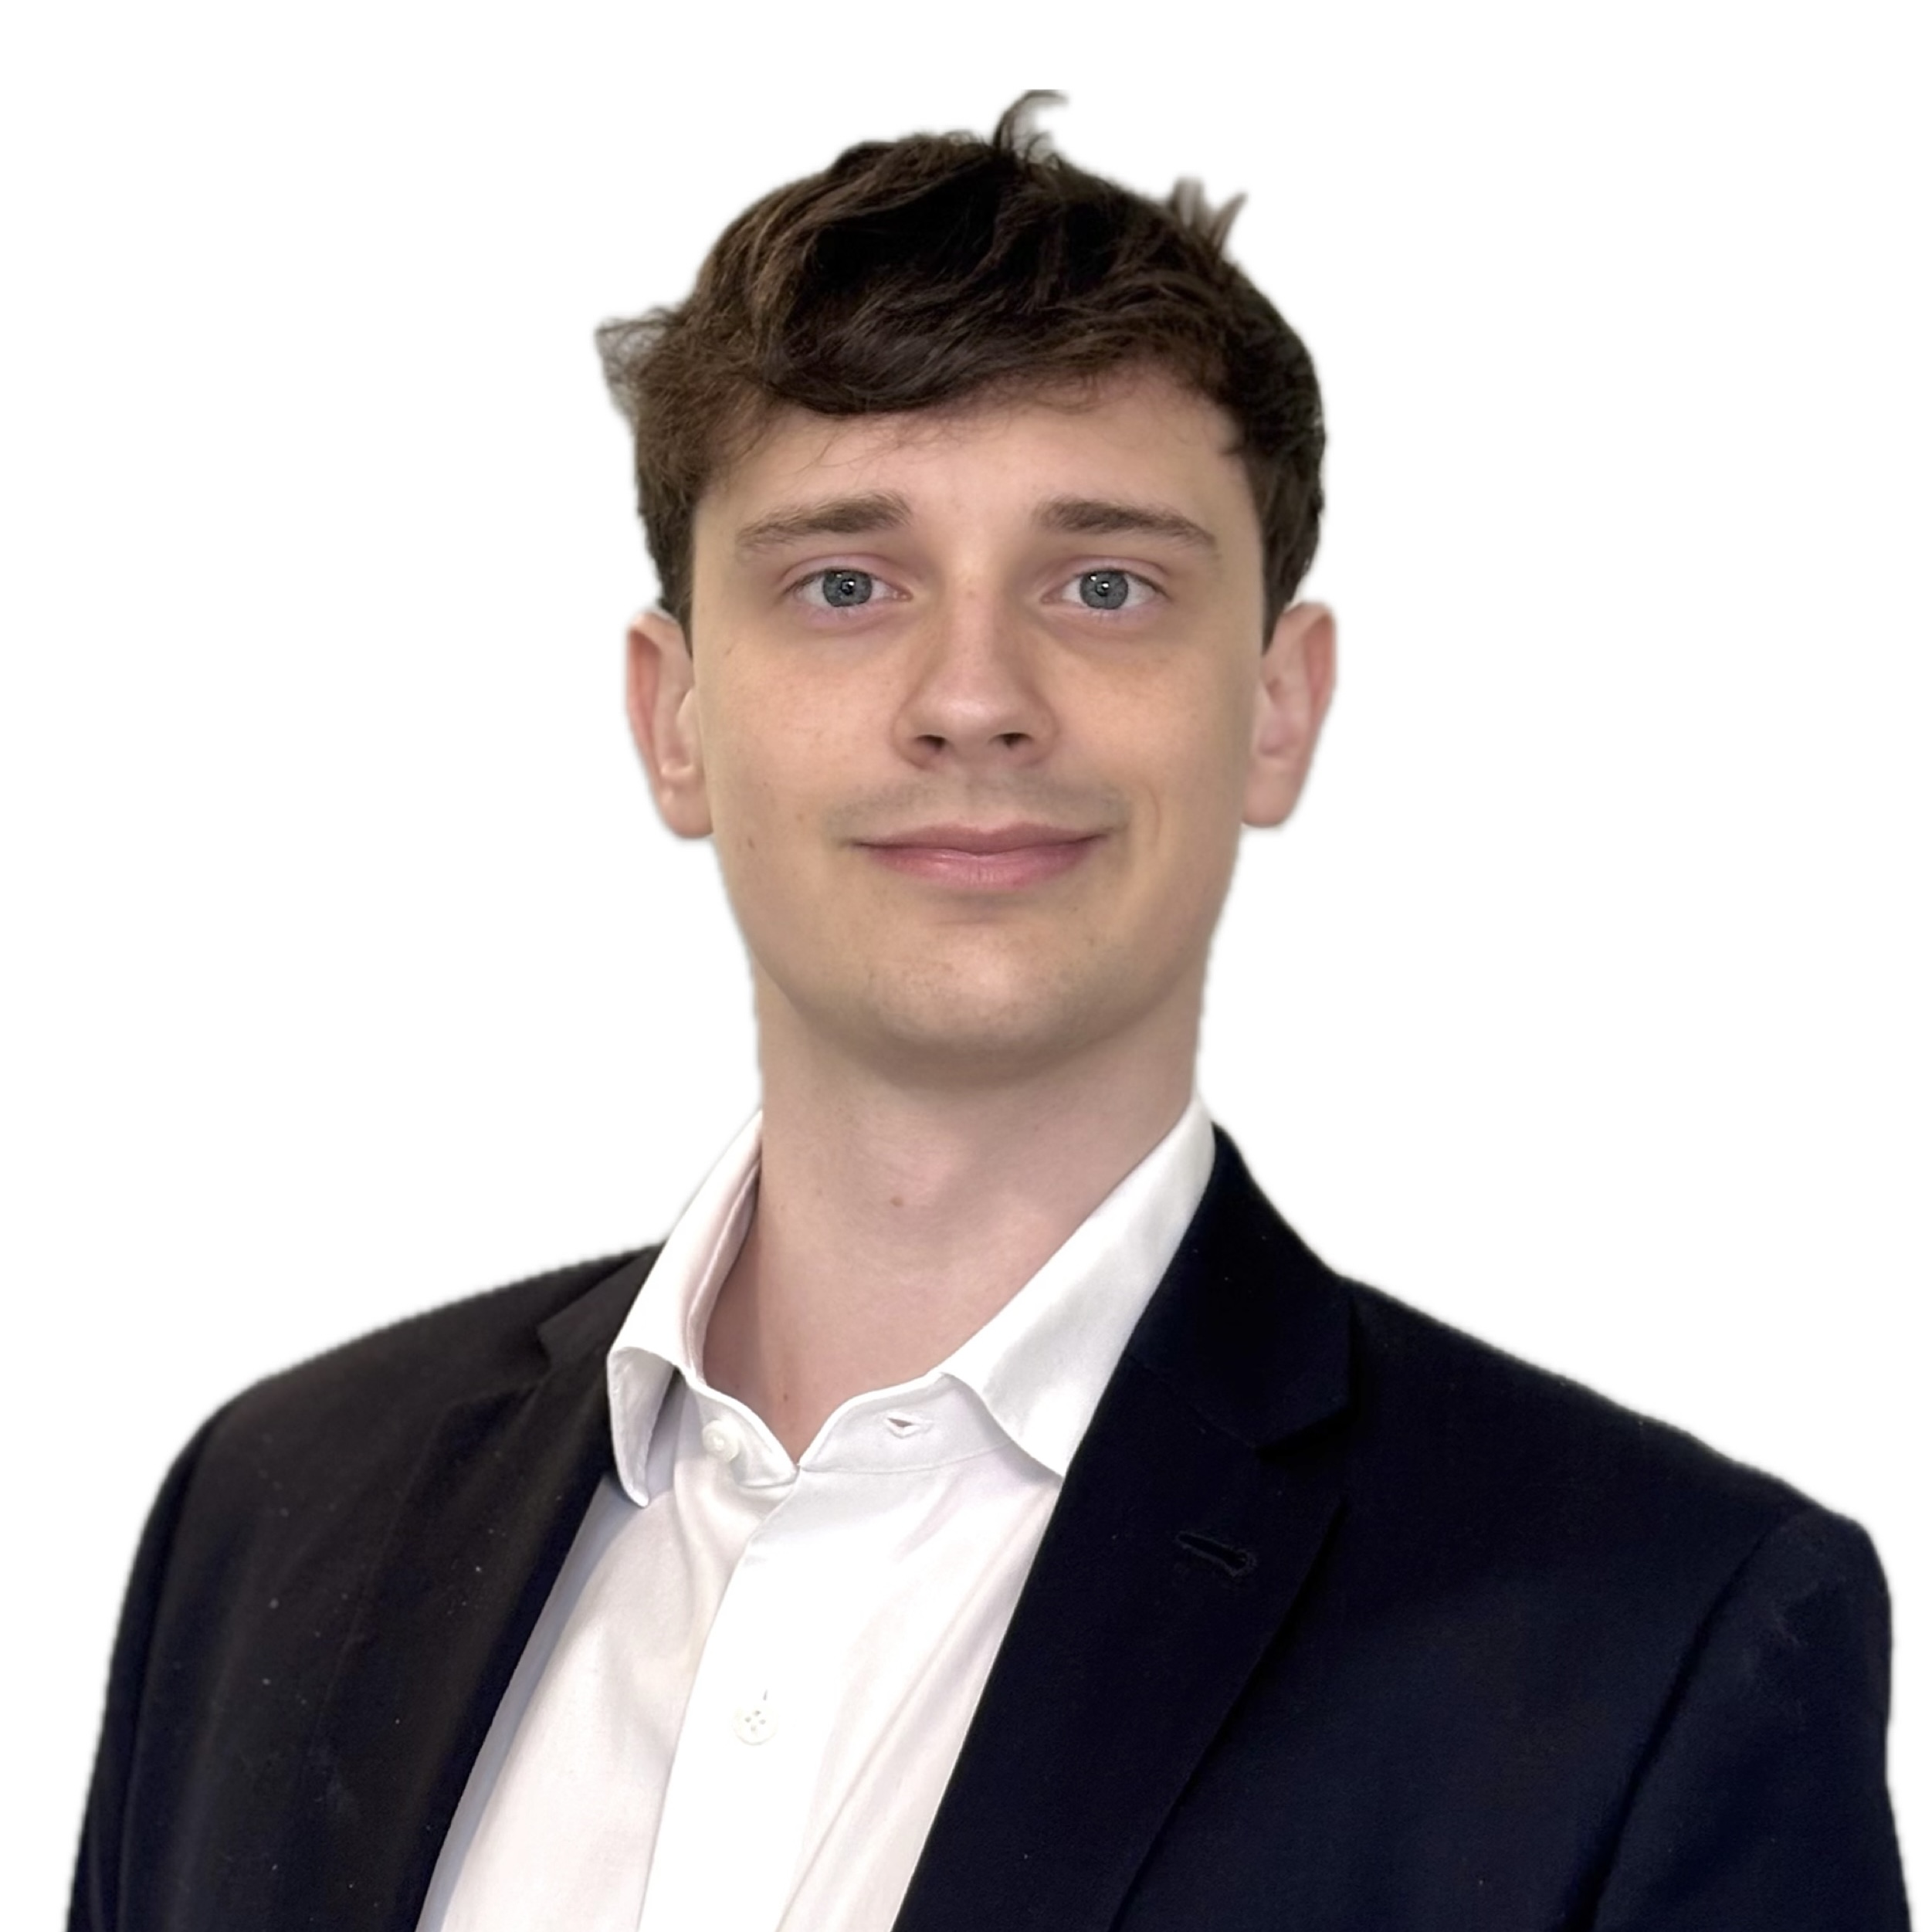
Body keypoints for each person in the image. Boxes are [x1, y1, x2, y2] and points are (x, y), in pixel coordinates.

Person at [69, 95, 1909, 1932]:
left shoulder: (1655, 1641)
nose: (973, 696)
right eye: (844, 583)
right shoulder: (271, 1519)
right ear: (674, 716)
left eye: (1104, 584)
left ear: (1278, 706)